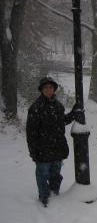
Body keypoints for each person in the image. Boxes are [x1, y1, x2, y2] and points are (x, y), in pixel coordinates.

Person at [26, 76, 79, 207]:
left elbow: (62, 121)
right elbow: (31, 133)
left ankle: (54, 193)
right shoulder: (36, 107)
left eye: (51, 87)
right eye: (46, 87)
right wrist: (34, 151)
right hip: (42, 149)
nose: (49, 90)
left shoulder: (58, 105)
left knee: (55, 173)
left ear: (54, 89)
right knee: (42, 175)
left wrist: (73, 113)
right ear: (41, 90)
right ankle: (44, 196)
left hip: (57, 147)